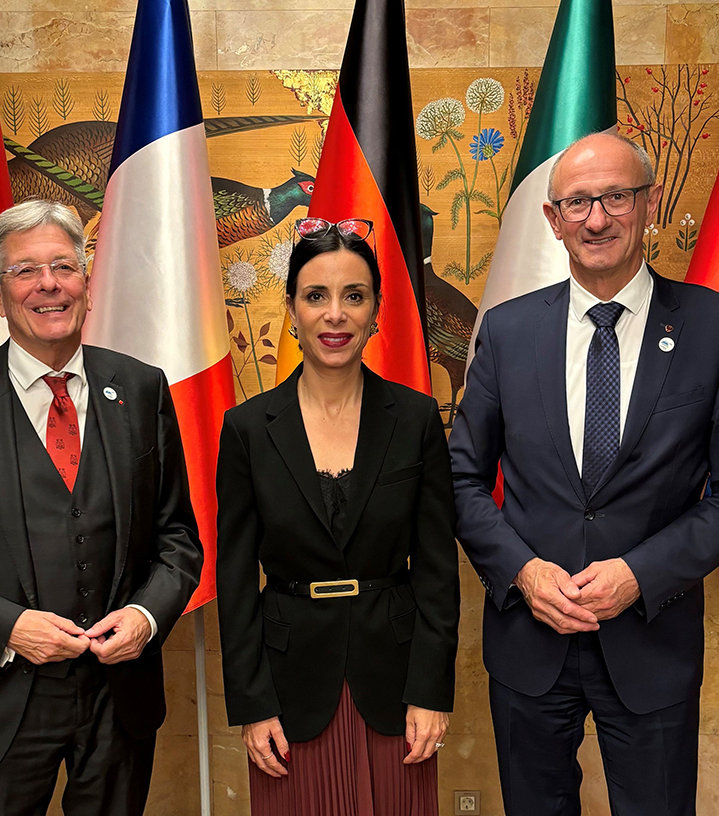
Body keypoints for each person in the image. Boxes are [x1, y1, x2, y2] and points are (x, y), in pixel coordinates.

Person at [449, 133, 719, 816]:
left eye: (615, 197)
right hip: (529, 641)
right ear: (552, 219)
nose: (596, 219)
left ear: (650, 202)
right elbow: (458, 477)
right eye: (577, 202)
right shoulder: (508, 332)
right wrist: (522, 571)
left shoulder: (717, 329)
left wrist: (641, 572)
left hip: (651, 643)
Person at [0, 200, 203, 816]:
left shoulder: (141, 387)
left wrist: (145, 617)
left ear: (85, 282)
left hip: (118, 700)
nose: (48, 284)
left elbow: (177, 536)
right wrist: (9, 628)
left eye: (63, 266)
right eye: (25, 271)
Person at [215, 217, 460, 815]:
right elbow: (236, 579)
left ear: (376, 310)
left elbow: (436, 570)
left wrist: (431, 691)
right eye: (316, 296)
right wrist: (251, 703)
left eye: (354, 296)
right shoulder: (248, 429)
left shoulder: (416, 419)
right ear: (292, 310)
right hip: (288, 686)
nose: (335, 314)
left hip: (396, 686)